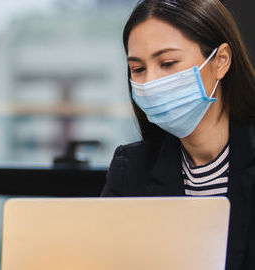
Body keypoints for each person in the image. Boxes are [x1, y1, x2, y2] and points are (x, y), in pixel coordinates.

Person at [101, 0, 255, 269]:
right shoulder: (131, 168)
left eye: (168, 63)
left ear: (221, 61)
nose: (150, 83)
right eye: (138, 69)